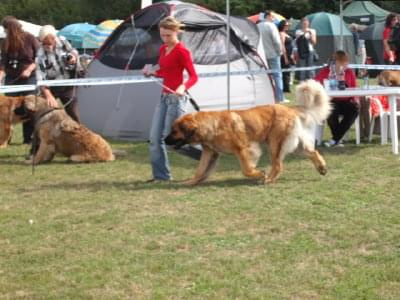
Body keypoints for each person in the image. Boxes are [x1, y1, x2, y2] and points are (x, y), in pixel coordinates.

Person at [143, 16, 198, 182]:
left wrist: (183, 86)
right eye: (162, 35)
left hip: (177, 99)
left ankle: (206, 153)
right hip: (164, 97)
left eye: (168, 35)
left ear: (176, 32)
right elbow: (165, 72)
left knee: (172, 140)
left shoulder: (182, 51)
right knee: (154, 139)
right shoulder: (162, 49)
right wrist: (152, 72)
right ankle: (161, 176)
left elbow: (194, 77)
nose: (165, 39)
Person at [0, 16, 39, 144]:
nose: (5, 32)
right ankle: (6, 140)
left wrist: (29, 70)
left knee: (28, 109)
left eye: (6, 29)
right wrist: (1, 76)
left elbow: (40, 58)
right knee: (6, 113)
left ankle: (28, 139)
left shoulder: (30, 38)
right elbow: (3, 64)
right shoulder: (5, 42)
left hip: (29, 78)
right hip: (12, 79)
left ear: (11, 28)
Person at [36, 25, 81, 122]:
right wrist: (48, 95)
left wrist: (73, 57)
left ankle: (77, 135)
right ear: (41, 42)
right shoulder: (39, 54)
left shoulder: (63, 41)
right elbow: (40, 77)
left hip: (67, 84)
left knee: (74, 115)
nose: (49, 47)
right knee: (40, 114)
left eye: (51, 43)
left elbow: (73, 51)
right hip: (51, 87)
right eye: (46, 44)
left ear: (55, 38)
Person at [314, 50, 359, 147]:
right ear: (336, 62)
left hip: (346, 101)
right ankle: (337, 139)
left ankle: (335, 139)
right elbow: (315, 84)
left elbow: (355, 88)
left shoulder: (349, 72)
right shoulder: (326, 71)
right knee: (331, 110)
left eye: (347, 62)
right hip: (330, 100)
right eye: (344, 62)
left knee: (354, 109)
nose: (346, 64)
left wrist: (355, 99)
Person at [258, 11, 284, 103]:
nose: (274, 19)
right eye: (273, 17)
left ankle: (267, 97)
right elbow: (277, 42)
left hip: (262, 56)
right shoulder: (271, 26)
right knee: (277, 76)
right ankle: (280, 98)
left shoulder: (258, 26)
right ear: (268, 16)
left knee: (265, 77)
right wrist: (279, 52)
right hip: (273, 54)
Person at [295, 17, 317, 81]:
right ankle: (302, 83)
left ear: (308, 23)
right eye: (303, 23)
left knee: (310, 68)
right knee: (302, 68)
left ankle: (311, 83)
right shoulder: (298, 31)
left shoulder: (312, 31)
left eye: (306, 22)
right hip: (301, 51)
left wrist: (310, 33)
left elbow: (314, 42)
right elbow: (297, 41)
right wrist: (304, 33)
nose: (305, 24)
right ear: (301, 23)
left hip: (310, 50)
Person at [278, 20, 294, 93]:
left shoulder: (286, 33)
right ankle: (285, 88)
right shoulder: (281, 34)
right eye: (286, 25)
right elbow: (282, 46)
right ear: (282, 26)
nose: (287, 27)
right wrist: (285, 57)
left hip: (289, 54)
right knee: (285, 72)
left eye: (288, 26)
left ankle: (286, 87)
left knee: (288, 72)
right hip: (285, 55)